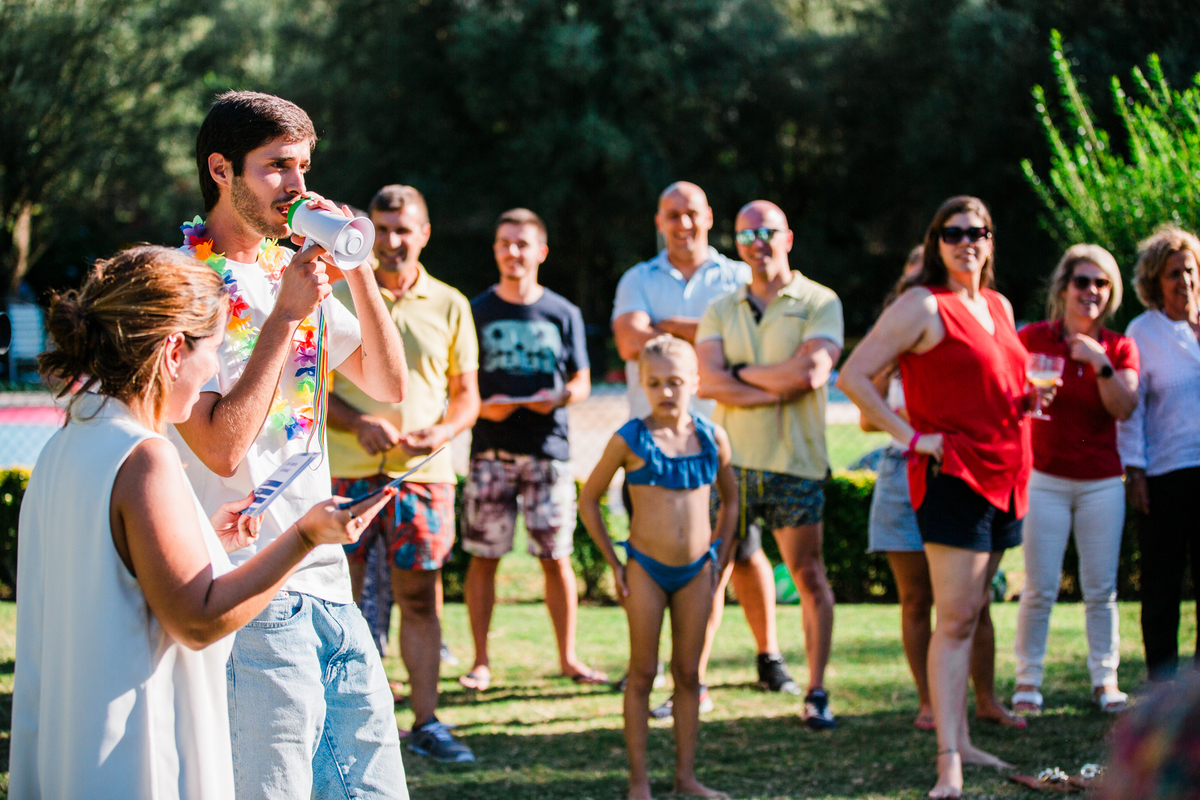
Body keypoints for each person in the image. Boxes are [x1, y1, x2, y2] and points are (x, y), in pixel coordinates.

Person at [10, 247, 393, 799]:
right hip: (135, 758)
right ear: (171, 351)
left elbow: (117, 576)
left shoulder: (69, 444)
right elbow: (197, 620)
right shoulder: (144, 456)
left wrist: (206, 541)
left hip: (74, 749)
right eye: (211, 349)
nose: (214, 368)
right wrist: (305, 536)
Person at [169, 91, 410, 799]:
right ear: (222, 169)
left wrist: (356, 265)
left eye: (304, 166)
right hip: (245, 582)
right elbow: (220, 449)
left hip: (328, 578)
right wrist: (285, 318)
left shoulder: (288, 270)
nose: (298, 186)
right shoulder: (180, 282)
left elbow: (388, 383)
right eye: (277, 167)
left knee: (373, 788)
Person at [838, 196, 1052, 798]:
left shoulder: (998, 305)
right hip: (953, 477)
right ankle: (947, 761)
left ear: (990, 241)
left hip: (1008, 476)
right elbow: (853, 376)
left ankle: (964, 740)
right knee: (954, 620)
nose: (967, 241)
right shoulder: (921, 305)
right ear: (936, 243)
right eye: (953, 232)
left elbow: (999, 383)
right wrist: (912, 437)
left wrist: (1028, 402)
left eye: (978, 231)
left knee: (974, 610)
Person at [327, 184, 481, 761]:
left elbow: (466, 396)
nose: (392, 242)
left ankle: (427, 723)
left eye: (403, 229)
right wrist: (354, 423)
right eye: (382, 229)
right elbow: (313, 386)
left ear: (424, 233)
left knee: (421, 599)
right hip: (345, 472)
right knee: (336, 601)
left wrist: (442, 432)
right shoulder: (339, 295)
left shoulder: (451, 303)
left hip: (424, 477)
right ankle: (340, 722)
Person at [862, 246, 1028, 731]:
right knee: (917, 599)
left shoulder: (975, 317)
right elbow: (861, 408)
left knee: (971, 603)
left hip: (964, 467)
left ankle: (985, 699)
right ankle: (930, 704)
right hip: (906, 467)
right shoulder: (898, 341)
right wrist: (915, 430)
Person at [696, 199, 844, 730]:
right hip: (729, 466)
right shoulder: (720, 306)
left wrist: (739, 374)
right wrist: (769, 381)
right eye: (746, 235)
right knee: (711, 575)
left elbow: (811, 375)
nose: (757, 243)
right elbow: (706, 381)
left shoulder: (820, 301)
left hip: (795, 464)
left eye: (767, 232)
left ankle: (817, 689)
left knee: (808, 575)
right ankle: (694, 687)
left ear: (789, 237)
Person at [611, 181, 754, 716]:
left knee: (715, 563)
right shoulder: (637, 278)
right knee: (650, 560)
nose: (683, 223)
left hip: (718, 442)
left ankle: (693, 676)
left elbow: (742, 348)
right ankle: (649, 669)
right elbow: (631, 344)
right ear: (659, 220)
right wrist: (709, 338)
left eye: (691, 212)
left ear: (709, 216)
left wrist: (664, 331)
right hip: (648, 452)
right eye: (672, 214)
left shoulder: (736, 275)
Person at [580, 334, 738, 800]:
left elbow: (731, 503)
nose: (666, 392)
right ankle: (639, 782)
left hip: (697, 573)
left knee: (688, 674)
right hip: (644, 570)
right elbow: (589, 501)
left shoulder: (712, 437)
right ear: (641, 385)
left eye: (675, 382)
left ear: (694, 382)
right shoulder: (630, 438)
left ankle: (686, 777)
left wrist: (719, 558)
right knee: (643, 672)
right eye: (655, 383)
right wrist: (616, 561)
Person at [460, 208, 606, 690]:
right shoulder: (476, 310)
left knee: (555, 557)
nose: (512, 252)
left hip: (549, 450)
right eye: (504, 243)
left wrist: (558, 397)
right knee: (484, 557)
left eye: (522, 244)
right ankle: (480, 662)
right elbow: (459, 384)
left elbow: (582, 381)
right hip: (491, 451)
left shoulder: (563, 312)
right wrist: (486, 408)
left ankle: (568, 658)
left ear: (541, 252)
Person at [1012, 244, 1139, 713]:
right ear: (1063, 288)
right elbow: (1011, 399)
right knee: (1039, 586)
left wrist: (1098, 361)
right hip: (1044, 478)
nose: (1092, 291)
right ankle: (1027, 682)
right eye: (1083, 281)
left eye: (1102, 283)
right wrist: (1029, 401)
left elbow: (1124, 407)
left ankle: (1105, 681)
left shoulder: (1120, 346)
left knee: (1100, 589)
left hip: (1101, 482)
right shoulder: (1033, 341)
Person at [1117, 225, 1200, 683]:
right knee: (1162, 585)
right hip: (1167, 474)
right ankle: (1162, 686)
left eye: (1189, 270)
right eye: (1173, 274)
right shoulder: (1142, 332)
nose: (1184, 281)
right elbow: (1131, 413)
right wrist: (1136, 472)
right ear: (1155, 282)